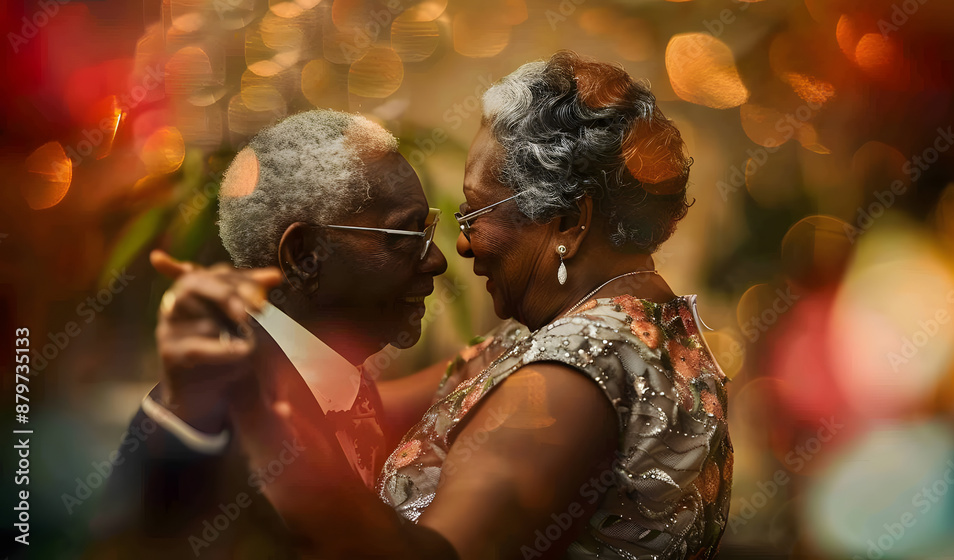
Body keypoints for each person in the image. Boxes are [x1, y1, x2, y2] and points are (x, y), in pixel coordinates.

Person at [235, 51, 733, 560]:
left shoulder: (573, 374)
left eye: (474, 214)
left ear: (567, 221)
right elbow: (361, 407)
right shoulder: (644, 330)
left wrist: (264, 427)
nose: (462, 245)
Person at [89, 109, 454, 558]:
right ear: (305, 257)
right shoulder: (207, 418)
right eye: (405, 233)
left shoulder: (340, 382)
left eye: (428, 229)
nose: (436, 258)